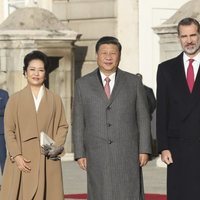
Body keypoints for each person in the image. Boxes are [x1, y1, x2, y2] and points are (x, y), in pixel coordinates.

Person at [72, 36, 152, 200]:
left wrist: (144, 149)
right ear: (97, 56)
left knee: (129, 193)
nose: (108, 57)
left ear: (119, 56)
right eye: (104, 53)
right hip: (96, 153)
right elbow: (78, 121)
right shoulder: (82, 84)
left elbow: (143, 118)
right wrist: (80, 152)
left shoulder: (133, 82)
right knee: (100, 193)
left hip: (127, 152)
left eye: (113, 53)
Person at [0, 50, 68, 199]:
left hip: (47, 157)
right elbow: (9, 130)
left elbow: (63, 126)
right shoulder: (15, 100)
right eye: (32, 69)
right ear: (25, 72)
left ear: (46, 73)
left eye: (41, 70)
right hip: (22, 159)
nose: (36, 73)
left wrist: (55, 147)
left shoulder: (55, 99)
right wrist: (16, 155)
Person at [156, 17, 200, 200]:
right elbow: (162, 111)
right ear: (178, 38)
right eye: (184, 36)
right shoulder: (166, 69)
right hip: (177, 148)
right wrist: (163, 147)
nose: (189, 40)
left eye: (193, 35)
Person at [0, 89, 9, 174]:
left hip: (1, 131)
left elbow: (8, 110)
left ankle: (6, 180)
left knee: (2, 157)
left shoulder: (4, 94)